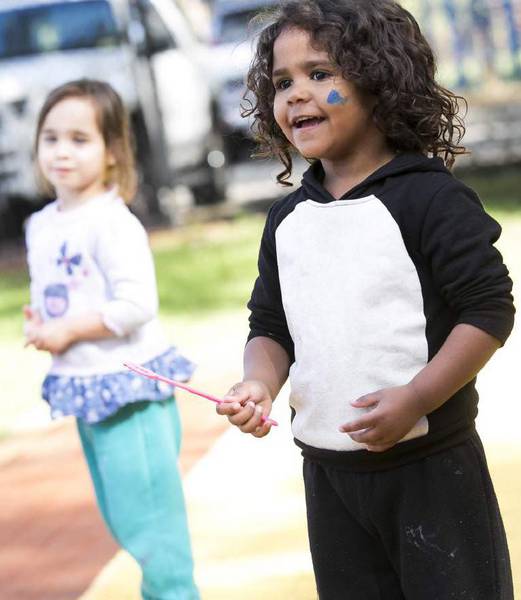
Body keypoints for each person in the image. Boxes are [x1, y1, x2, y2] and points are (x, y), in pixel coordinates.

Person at [216, 1, 515, 598]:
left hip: (432, 469)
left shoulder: (430, 199)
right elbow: (271, 324)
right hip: (330, 475)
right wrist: (258, 383)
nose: (296, 94)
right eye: (282, 82)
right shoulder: (288, 220)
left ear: (379, 81)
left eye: (320, 75)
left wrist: (417, 397)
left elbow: (488, 309)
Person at [23, 79, 199, 600]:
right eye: (51, 137)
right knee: (126, 522)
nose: (61, 151)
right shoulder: (40, 225)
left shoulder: (111, 223)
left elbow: (136, 304)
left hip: (129, 392)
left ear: (112, 152)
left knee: (156, 534)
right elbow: (63, 297)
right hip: (87, 390)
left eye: (80, 139)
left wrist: (71, 328)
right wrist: (45, 326)